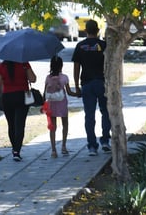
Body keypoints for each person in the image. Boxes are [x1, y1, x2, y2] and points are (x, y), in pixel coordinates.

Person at [71, 19, 111, 156]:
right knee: (106, 112)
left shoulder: (80, 46)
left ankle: (92, 146)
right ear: (98, 31)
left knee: (89, 115)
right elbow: (110, 65)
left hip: (87, 84)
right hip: (102, 83)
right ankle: (105, 140)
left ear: (85, 30)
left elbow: (76, 68)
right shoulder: (104, 45)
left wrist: (76, 86)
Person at [0, 60, 37, 161]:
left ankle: (14, 147)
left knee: (11, 125)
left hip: (7, 97)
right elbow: (33, 79)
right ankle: (17, 151)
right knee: (20, 124)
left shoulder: (2, 66)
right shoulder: (24, 64)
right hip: (22, 96)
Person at [43, 56, 78, 158]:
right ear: (61, 66)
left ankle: (53, 150)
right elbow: (69, 92)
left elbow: (44, 92)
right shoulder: (64, 77)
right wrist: (78, 94)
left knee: (52, 127)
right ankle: (63, 146)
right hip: (62, 103)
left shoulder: (48, 78)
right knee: (65, 124)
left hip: (51, 103)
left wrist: (43, 104)